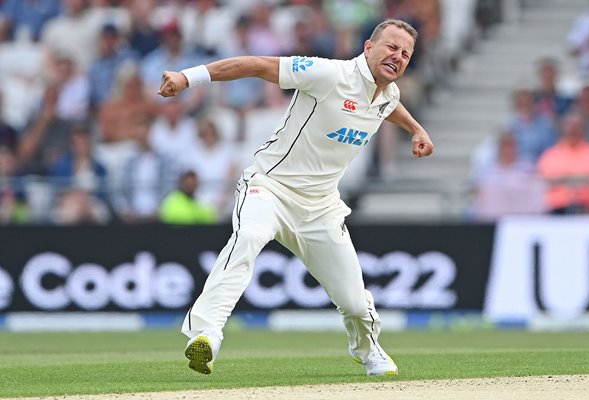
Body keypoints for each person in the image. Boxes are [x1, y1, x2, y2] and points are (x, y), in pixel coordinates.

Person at [158, 19, 434, 377]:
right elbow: (257, 65)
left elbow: (386, 106)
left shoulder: (389, 94)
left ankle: (369, 353)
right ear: (368, 47)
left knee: (353, 302)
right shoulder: (327, 74)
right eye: (391, 47)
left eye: (405, 54)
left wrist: (416, 129)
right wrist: (187, 77)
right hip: (269, 188)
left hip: (320, 208)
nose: (397, 56)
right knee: (249, 238)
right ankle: (206, 335)